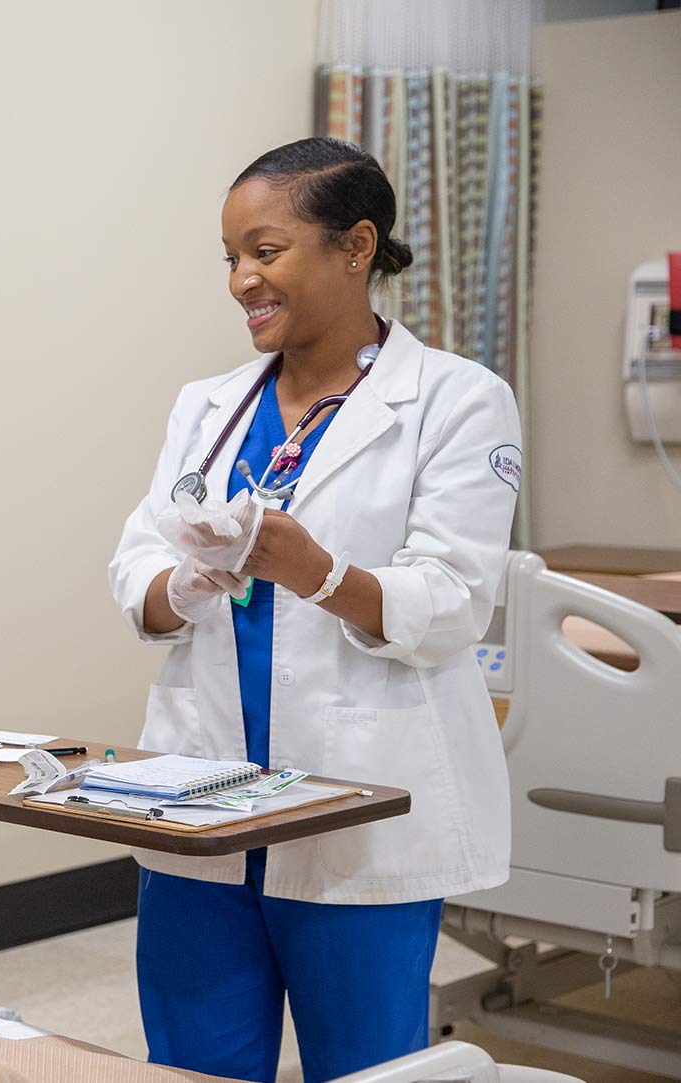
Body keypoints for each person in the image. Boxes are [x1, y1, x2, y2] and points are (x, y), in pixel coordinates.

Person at [108, 137, 520, 1083]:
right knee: (191, 1069)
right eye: (230, 258)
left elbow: (454, 600)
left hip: (355, 806)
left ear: (356, 245)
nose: (241, 279)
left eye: (265, 250)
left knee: (366, 1070)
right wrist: (188, 582)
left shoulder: (456, 402)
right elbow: (137, 563)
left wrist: (317, 572)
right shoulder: (206, 407)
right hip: (198, 804)